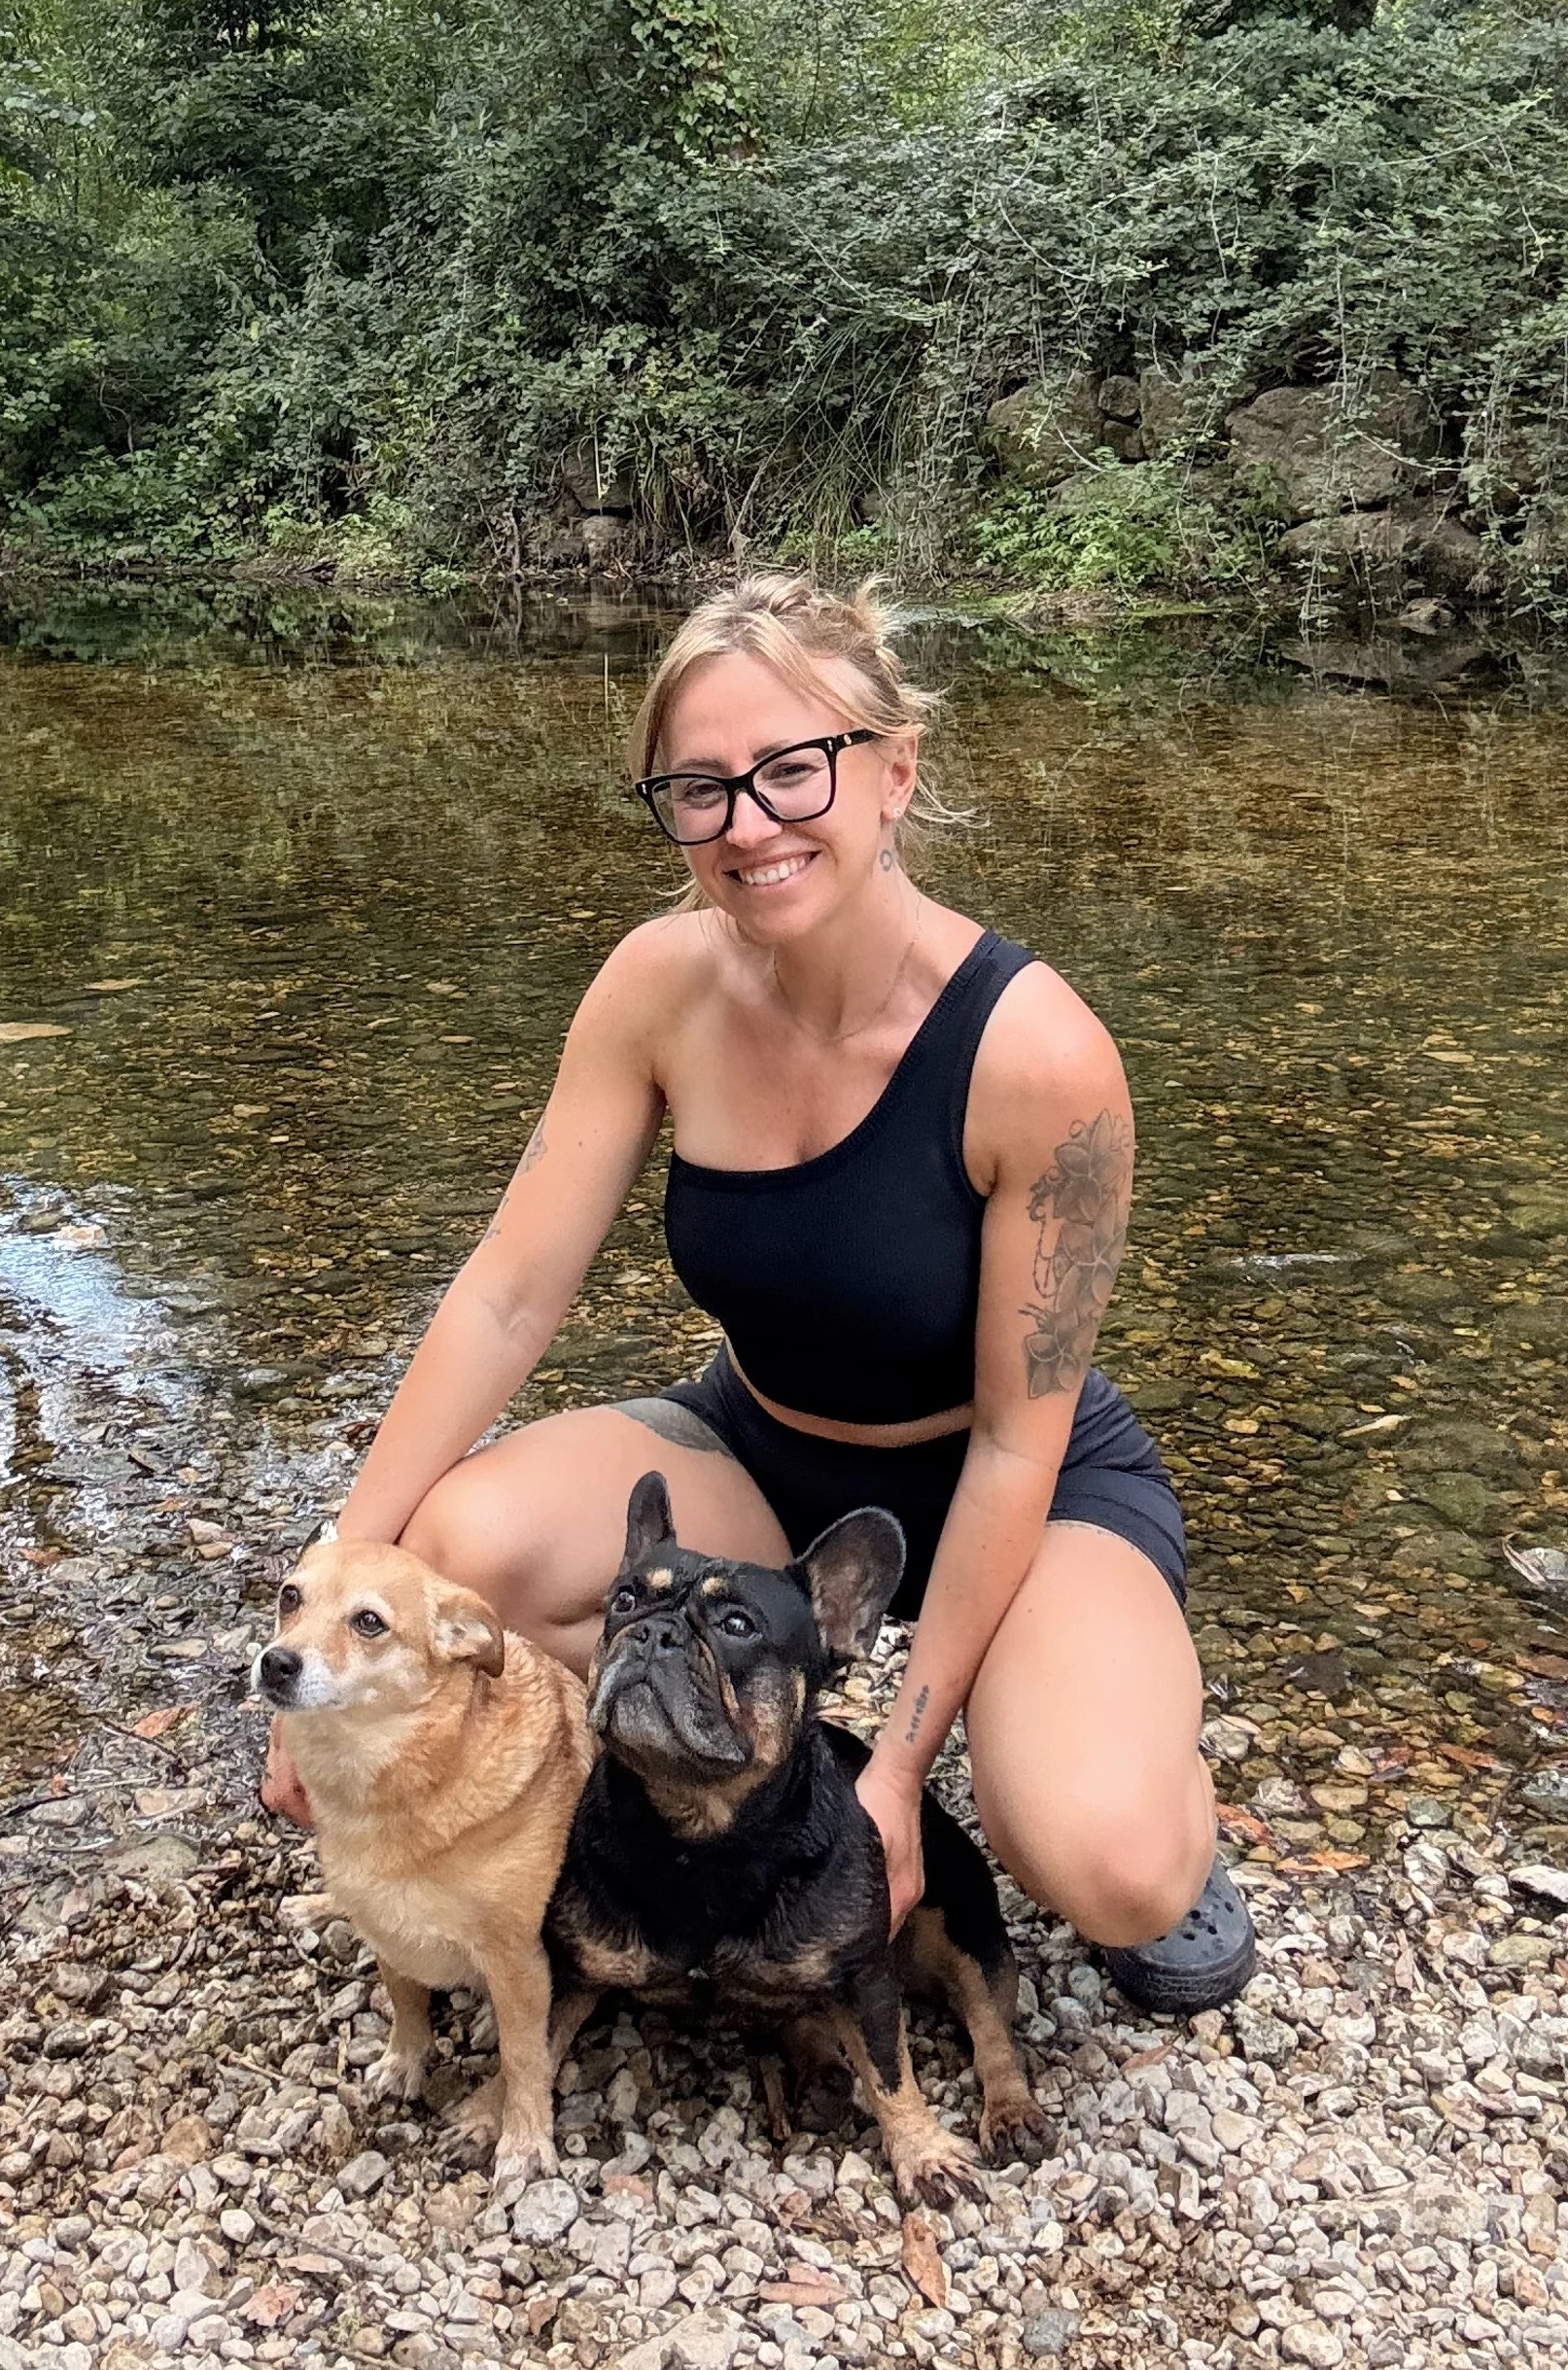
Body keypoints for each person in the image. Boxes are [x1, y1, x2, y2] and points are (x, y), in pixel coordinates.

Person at [262, 571, 1252, 2013]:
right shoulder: (656, 988)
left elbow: (1011, 1442)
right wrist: (342, 1597)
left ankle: (1157, 1780)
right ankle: (698, 1805)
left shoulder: (1039, 1057)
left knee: (1107, 1860)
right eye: (702, 788)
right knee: (458, 1552)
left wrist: (905, 1774)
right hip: (766, 1454)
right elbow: (508, 1294)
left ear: (894, 771)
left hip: (1019, 1478)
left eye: (794, 770)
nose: (749, 824)